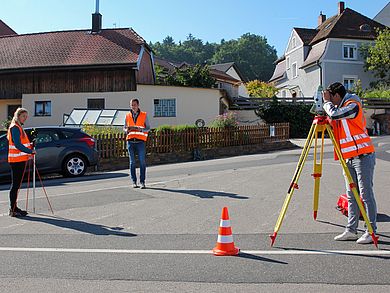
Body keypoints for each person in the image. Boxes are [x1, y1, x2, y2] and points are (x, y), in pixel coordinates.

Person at [323, 82, 377, 244]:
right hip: (348, 157)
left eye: (331, 97)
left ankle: (371, 230)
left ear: (337, 96)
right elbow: (333, 121)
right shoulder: (339, 107)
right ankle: (351, 230)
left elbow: (335, 114)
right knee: (351, 196)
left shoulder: (353, 104)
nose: (330, 101)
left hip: (363, 155)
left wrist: (326, 104)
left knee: (365, 195)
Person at [7, 108, 35, 217]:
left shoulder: (18, 127)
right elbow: (17, 145)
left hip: (20, 160)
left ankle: (14, 207)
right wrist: (30, 151)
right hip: (16, 161)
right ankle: (12, 209)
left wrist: (30, 145)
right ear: (18, 116)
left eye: (26, 116)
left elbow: (22, 143)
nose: (25, 118)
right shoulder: (14, 127)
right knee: (15, 185)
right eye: (24, 116)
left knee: (17, 185)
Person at [124, 98, 150, 189]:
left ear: (138, 105)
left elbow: (148, 128)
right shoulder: (127, 115)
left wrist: (141, 129)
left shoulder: (144, 115)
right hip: (130, 142)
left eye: (134, 105)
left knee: (142, 162)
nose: (133, 107)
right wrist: (126, 130)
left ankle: (142, 182)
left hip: (140, 142)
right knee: (132, 163)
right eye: (131, 105)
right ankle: (134, 181)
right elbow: (124, 128)